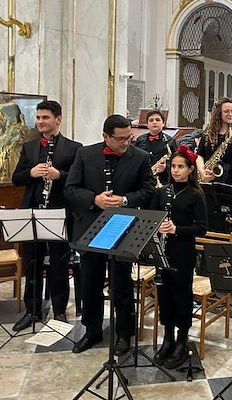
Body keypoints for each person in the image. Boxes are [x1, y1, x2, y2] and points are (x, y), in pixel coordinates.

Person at [65, 114, 155, 355]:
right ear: (105, 136)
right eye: (120, 139)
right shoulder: (84, 154)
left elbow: (148, 190)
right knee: (90, 284)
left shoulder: (141, 157)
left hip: (123, 228)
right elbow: (71, 189)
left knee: (122, 285)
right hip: (90, 229)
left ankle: (124, 333)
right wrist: (94, 199)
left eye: (129, 138)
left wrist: (125, 199)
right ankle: (91, 331)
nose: (126, 144)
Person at [11, 101, 82, 331]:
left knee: (59, 264)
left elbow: (78, 179)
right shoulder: (29, 147)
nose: (40, 121)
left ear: (58, 119)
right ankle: (32, 310)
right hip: (32, 211)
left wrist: (58, 174)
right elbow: (16, 178)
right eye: (39, 117)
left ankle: (59, 311)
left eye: (45, 118)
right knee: (32, 262)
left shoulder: (74, 148)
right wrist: (31, 172)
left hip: (58, 212)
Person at [150, 146, 208, 368]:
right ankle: (168, 338)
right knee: (164, 295)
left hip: (183, 253)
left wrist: (177, 229)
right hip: (162, 252)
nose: (175, 170)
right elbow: (152, 218)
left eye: (180, 167)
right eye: (173, 166)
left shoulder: (195, 195)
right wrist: (158, 227)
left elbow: (202, 228)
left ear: (190, 169)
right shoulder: (161, 192)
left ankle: (182, 340)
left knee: (181, 294)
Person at [196, 97, 232, 183]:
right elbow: (199, 155)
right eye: (226, 111)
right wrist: (202, 171)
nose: (230, 114)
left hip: (230, 179)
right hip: (209, 177)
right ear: (219, 113)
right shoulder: (208, 132)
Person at [135, 109, 177, 185]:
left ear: (163, 123)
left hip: (163, 181)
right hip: (143, 181)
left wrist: (165, 167)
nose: (154, 122)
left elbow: (176, 161)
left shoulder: (170, 141)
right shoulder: (140, 140)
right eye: (151, 120)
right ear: (147, 124)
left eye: (157, 120)